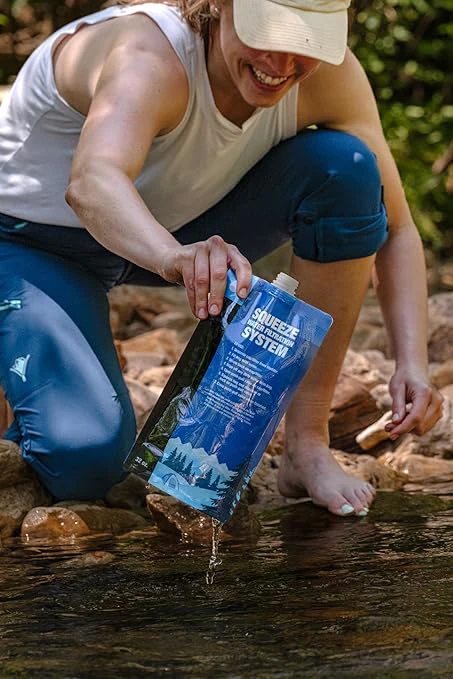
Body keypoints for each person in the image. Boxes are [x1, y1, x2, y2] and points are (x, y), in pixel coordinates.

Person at [0, 0, 443, 516]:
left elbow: (396, 225)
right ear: (218, 5)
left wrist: (413, 363)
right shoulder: (147, 53)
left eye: (305, 43)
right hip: (35, 242)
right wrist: (175, 256)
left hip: (173, 232)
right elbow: (92, 183)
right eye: (267, 35)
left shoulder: (332, 76)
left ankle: (307, 446)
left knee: (345, 169)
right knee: (86, 462)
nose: (281, 65)